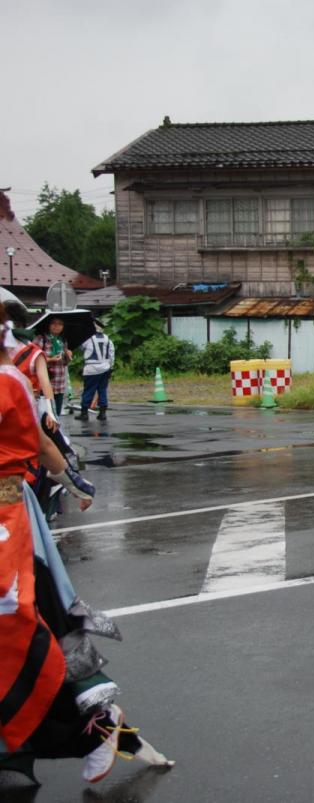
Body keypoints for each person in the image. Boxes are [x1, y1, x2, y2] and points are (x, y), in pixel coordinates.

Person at [0, 306, 171, 785]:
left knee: (27, 626)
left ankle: (96, 726)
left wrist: (73, 481)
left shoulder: (10, 378)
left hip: (7, 519)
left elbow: (42, 438)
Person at [78, 322, 115, 423]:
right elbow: (111, 355)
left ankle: (84, 413)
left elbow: (81, 347)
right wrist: (111, 367)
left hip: (91, 368)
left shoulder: (88, 339)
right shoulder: (108, 339)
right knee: (102, 390)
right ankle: (102, 413)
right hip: (105, 368)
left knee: (89, 390)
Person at [33, 317, 70, 416]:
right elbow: (33, 358)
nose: (56, 326)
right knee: (44, 415)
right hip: (44, 384)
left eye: (60, 324)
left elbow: (65, 363)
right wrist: (50, 359)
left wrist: (68, 356)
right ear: (48, 325)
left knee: (56, 414)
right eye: (53, 323)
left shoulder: (63, 340)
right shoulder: (41, 339)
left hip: (59, 383)